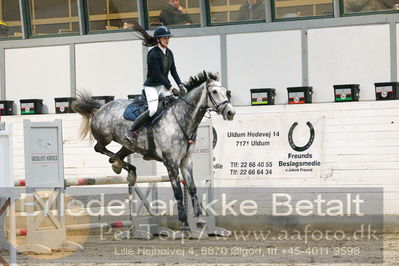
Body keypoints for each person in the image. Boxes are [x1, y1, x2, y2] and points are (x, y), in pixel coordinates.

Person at [125, 23, 186, 140]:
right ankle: (131, 130)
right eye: (164, 38)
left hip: (164, 86)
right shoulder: (152, 54)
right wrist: (172, 88)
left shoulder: (169, 53)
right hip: (152, 86)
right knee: (153, 109)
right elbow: (157, 75)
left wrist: (181, 85)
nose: (167, 40)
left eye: (168, 38)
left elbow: (173, 71)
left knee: (175, 105)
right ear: (158, 39)